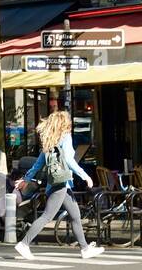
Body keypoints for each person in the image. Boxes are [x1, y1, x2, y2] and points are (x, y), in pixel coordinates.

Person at [13, 110, 103, 260]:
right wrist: (84, 175)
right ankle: (24, 244)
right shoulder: (65, 138)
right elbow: (69, 159)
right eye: (68, 121)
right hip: (61, 184)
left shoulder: (50, 142)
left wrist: (25, 179)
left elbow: (37, 164)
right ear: (63, 124)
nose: (70, 124)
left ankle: (85, 249)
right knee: (47, 216)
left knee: (75, 215)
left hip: (59, 184)